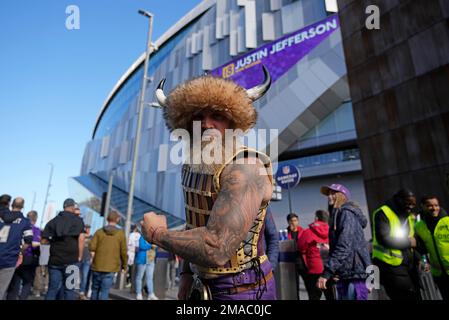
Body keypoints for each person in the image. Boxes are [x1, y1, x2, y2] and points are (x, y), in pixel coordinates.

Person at [141, 66, 275, 300]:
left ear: (233, 122)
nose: (206, 124)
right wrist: (185, 274)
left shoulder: (245, 167)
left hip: (245, 291)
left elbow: (217, 247)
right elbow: (195, 224)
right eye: (198, 117)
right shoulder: (194, 166)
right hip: (202, 286)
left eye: (217, 116)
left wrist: (156, 233)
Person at [317, 184, 371, 300]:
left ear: (342, 196)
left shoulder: (346, 213)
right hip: (346, 274)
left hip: (354, 274)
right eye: (329, 194)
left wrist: (327, 272)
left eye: (333, 193)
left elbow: (344, 245)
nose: (329, 196)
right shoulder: (338, 215)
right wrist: (336, 271)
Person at [371, 189, 420, 300]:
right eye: (408, 203)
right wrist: (408, 242)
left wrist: (418, 258)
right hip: (390, 265)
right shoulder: (383, 213)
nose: (411, 207)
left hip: (408, 265)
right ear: (399, 200)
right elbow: (383, 238)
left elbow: (413, 242)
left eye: (413, 204)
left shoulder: (408, 216)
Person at [41, 198, 85, 300]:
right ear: (73, 207)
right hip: (72, 261)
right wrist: (80, 256)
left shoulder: (53, 221)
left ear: (64, 207)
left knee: (52, 289)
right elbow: (81, 239)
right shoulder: (78, 221)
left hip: (54, 260)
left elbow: (43, 241)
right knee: (69, 289)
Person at [415, 196, 449, 300]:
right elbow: (422, 250)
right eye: (430, 205)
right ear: (423, 206)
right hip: (438, 274)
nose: (434, 208)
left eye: (436, 205)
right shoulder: (419, 226)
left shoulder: (447, 221)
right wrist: (424, 262)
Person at [0, 195, 33, 300]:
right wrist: (20, 251)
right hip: (9, 258)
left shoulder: (1, 216)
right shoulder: (25, 221)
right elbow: (28, 240)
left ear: (12, 204)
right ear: (23, 206)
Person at [89, 210, 127, 300]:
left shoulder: (99, 232)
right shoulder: (120, 234)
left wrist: (93, 259)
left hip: (97, 266)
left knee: (94, 290)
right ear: (117, 220)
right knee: (105, 291)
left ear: (107, 219)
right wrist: (124, 266)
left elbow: (92, 248)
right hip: (111, 268)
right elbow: (123, 251)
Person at [298, 210, 333, 300]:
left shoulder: (308, 232)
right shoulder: (331, 231)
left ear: (316, 218)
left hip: (314, 269)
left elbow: (300, 246)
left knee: (314, 296)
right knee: (331, 296)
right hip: (329, 269)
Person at [7, 210, 41, 300]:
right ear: (36, 218)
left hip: (16, 256)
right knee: (27, 282)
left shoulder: (18, 226)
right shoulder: (36, 230)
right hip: (28, 258)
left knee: (15, 281)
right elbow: (34, 244)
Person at [286, 212, 306, 298]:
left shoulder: (303, 231)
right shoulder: (285, 233)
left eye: (295, 220)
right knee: (294, 287)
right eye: (291, 221)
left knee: (309, 285)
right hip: (292, 264)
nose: (294, 222)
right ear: (288, 222)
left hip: (303, 262)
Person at [79, 225, 92, 300]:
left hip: (87, 259)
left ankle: (82, 292)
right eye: (86, 228)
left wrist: (91, 258)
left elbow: (93, 249)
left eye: (88, 228)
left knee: (84, 276)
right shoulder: (81, 236)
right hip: (79, 259)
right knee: (75, 275)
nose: (87, 229)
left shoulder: (91, 238)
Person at [127, 224, 140, 289]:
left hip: (131, 253)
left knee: (130, 268)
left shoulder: (131, 235)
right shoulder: (139, 235)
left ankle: (129, 282)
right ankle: (132, 282)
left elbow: (129, 244)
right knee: (135, 269)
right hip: (137, 253)